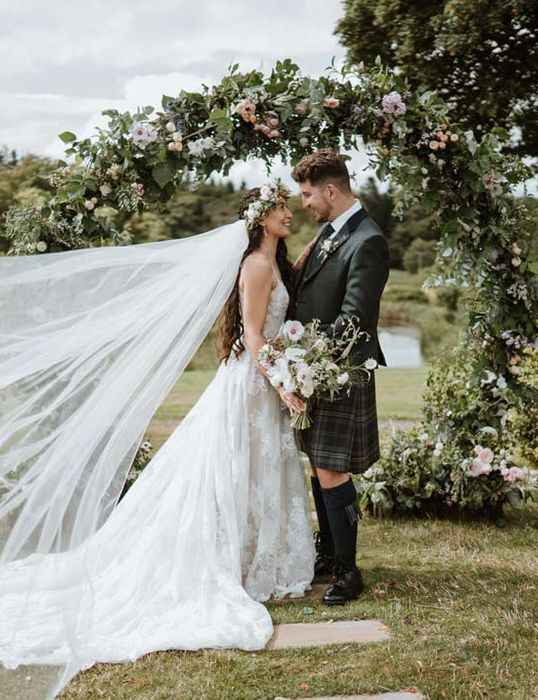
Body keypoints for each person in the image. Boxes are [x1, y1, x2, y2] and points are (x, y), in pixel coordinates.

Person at [0, 182, 314, 695]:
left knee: (258, 469)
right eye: (281, 208)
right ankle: (241, 562)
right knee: (241, 468)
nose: (290, 213)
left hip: (258, 382)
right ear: (261, 218)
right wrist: (283, 382)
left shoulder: (274, 261)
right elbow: (255, 334)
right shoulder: (256, 266)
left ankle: (258, 557)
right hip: (252, 384)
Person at [291, 149, 390, 606]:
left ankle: (349, 572)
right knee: (319, 463)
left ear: (331, 190)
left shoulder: (367, 240)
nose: (304, 203)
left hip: (341, 369)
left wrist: (297, 346)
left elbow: (354, 321)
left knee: (332, 469)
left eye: (309, 194)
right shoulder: (333, 233)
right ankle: (329, 552)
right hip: (316, 370)